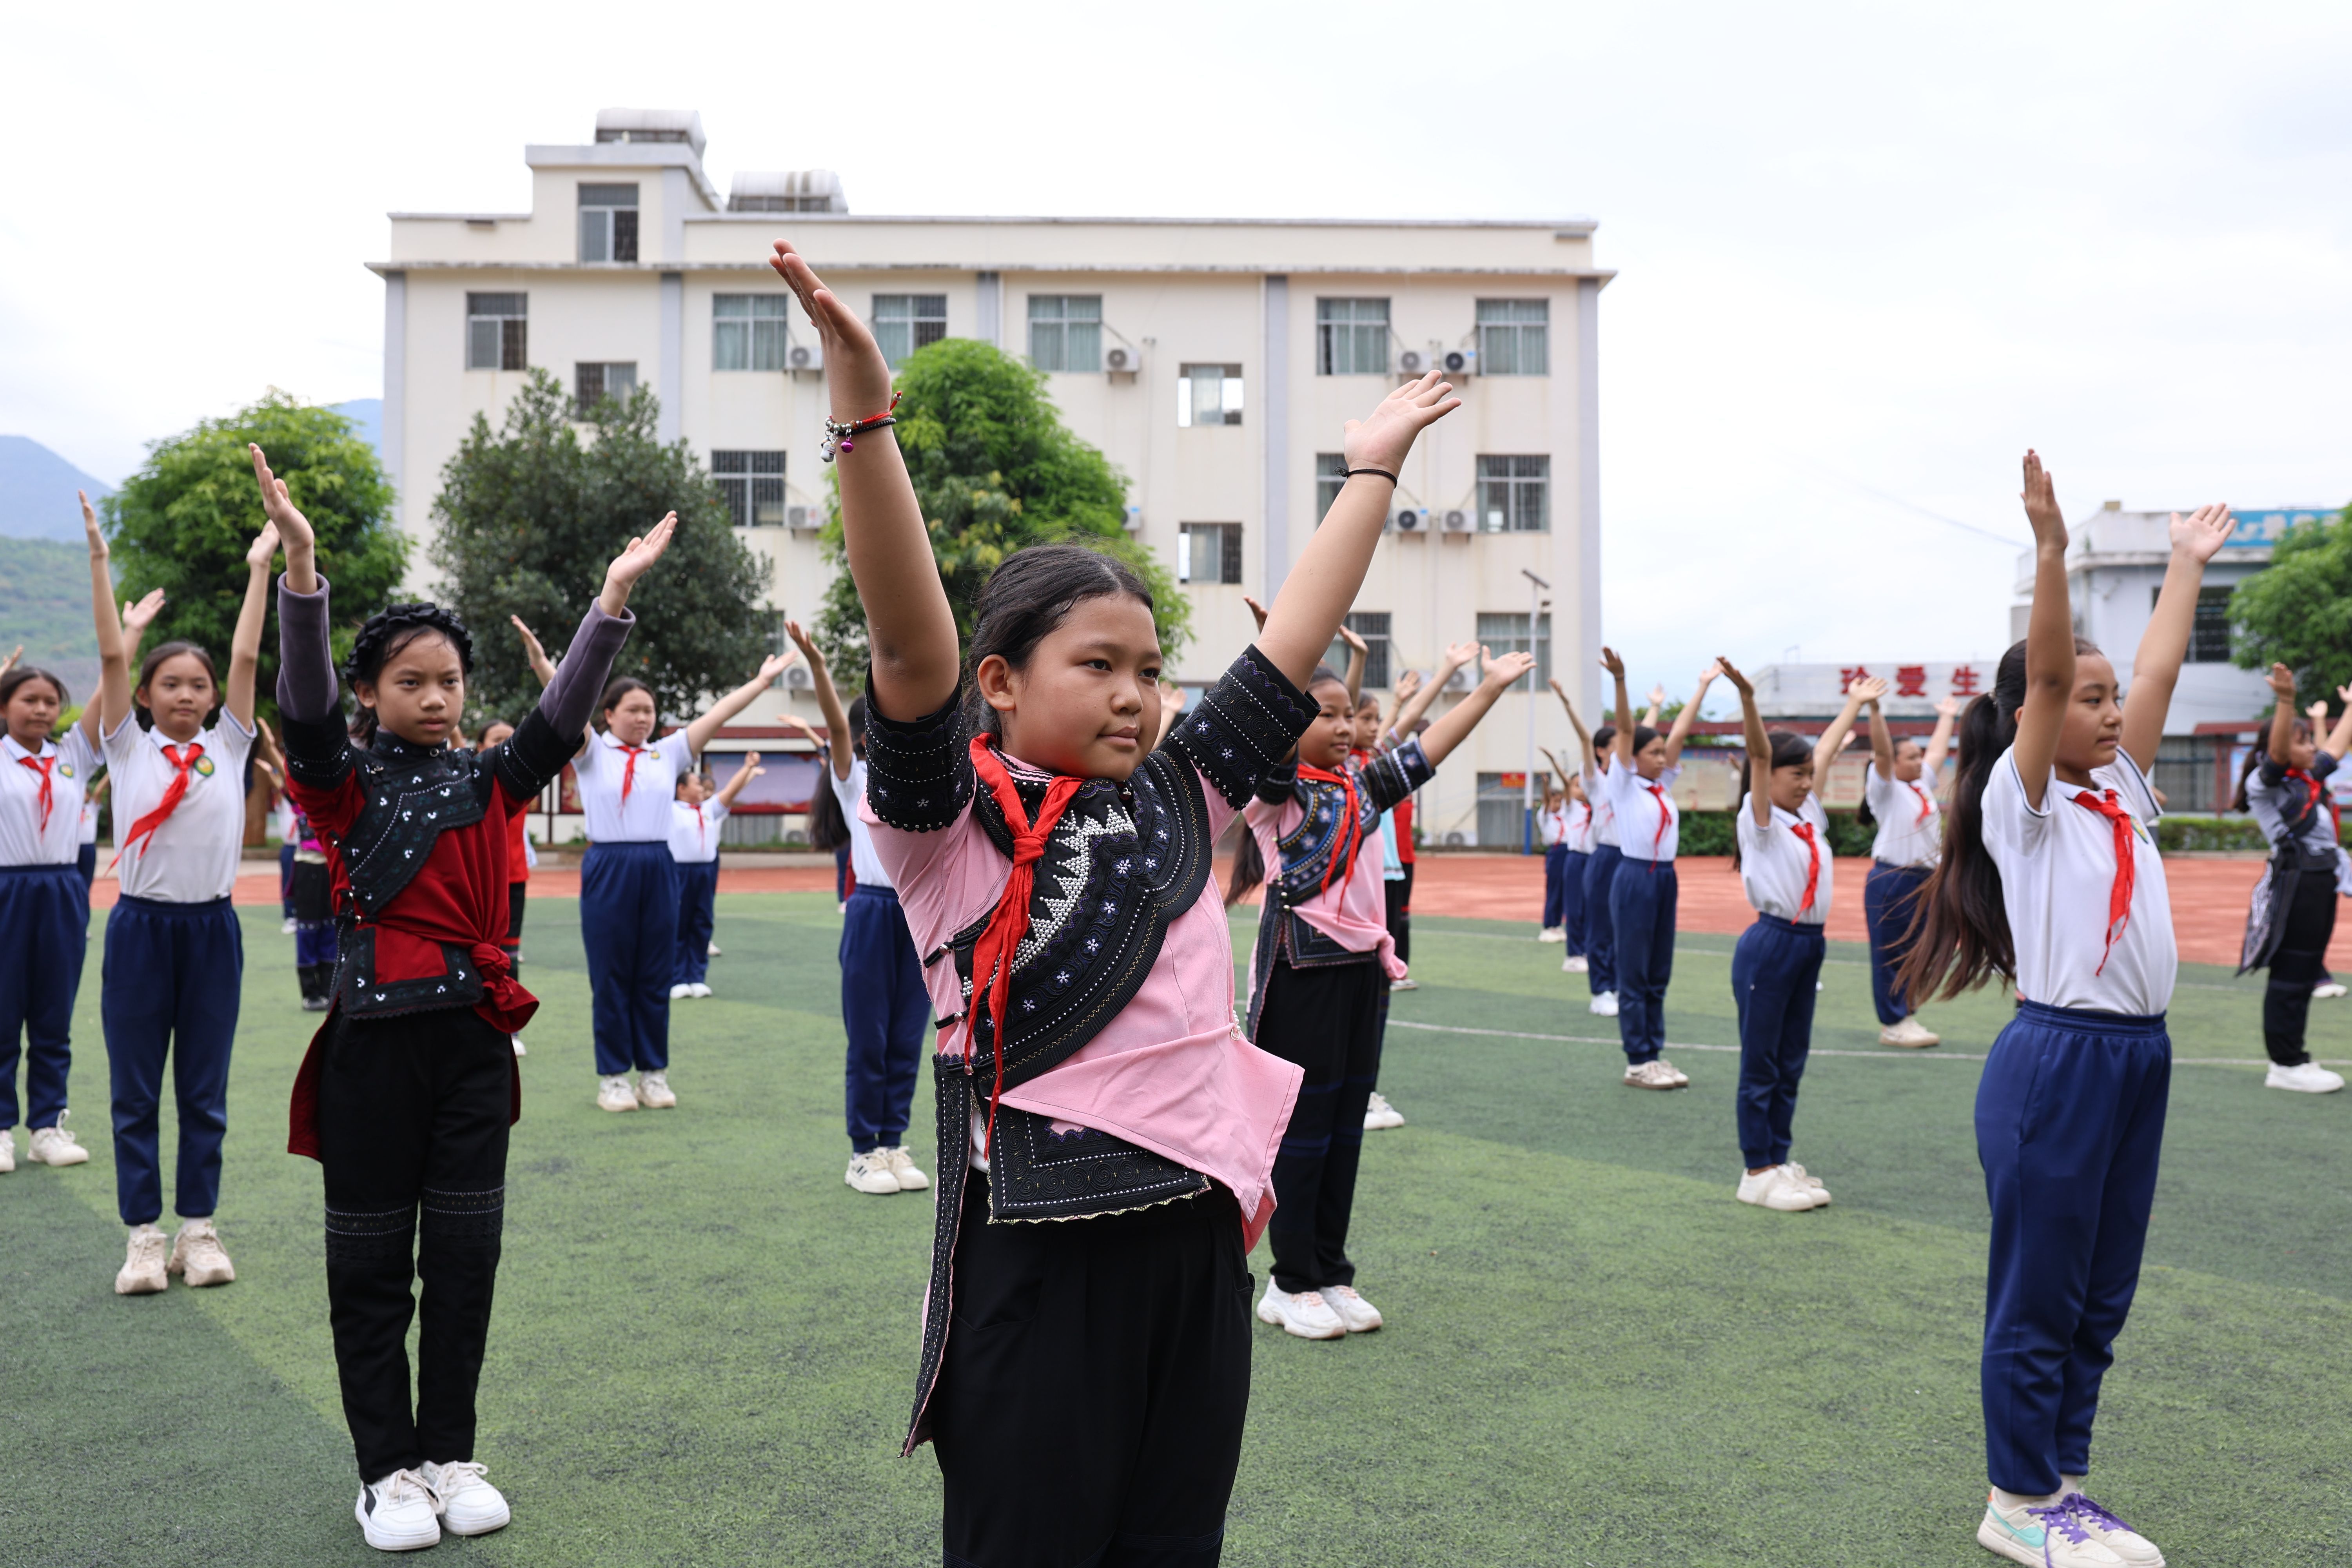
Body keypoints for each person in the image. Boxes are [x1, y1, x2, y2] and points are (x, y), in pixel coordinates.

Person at [771, 233, 1460, 1565]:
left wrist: (1373, 467)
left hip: (1196, 1249)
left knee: (1171, 1546)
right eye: (1099, 663)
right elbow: (908, 640)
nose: (1139, 691)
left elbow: (1293, 640)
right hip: (1040, 1265)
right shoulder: (940, 831)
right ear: (1004, 684)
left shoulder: (1183, 795)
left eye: (1152, 665)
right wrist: (863, 414)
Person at [255, 441, 667, 1552]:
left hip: (476, 1048)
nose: (436, 698)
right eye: (411, 683)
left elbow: (567, 710)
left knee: (469, 1261)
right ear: (370, 694)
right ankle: (385, 1472)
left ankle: (446, 1455)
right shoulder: (336, 785)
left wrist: (611, 603)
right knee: (372, 1264)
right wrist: (302, 569)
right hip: (372, 1052)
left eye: (449, 683)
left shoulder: (495, 776)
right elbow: (298, 702)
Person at [1900, 452, 2231, 1568]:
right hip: (2060, 1061)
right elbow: (2046, 684)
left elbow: (2163, 667)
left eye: (2110, 700)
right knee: (2040, 1293)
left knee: (2101, 1294)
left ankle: (2064, 1489)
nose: (2108, 710)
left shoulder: (2124, 784)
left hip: (2139, 1057)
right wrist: (2050, 552)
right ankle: (2016, 1500)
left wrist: (2184, 562)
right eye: (2087, 700)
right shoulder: (2025, 802)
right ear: (2036, 710)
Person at [1231, 643, 1532, 1337]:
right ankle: (1288, 1281)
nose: (1342, 727)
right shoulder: (1274, 795)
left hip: (1360, 974)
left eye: (1346, 716)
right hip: (1300, 975)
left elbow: (1433, 749)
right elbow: (1277, 744)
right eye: (1325, 716)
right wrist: (1282, 659)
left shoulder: (1361, 788)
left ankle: (1331, 1272)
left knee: (1344, 1130)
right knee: (1302, 1136)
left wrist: (1485, 690)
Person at [86, 490, 273, 1295]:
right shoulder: (125, 747)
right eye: (172, 683)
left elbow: (245, 658)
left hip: (211, 932)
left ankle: (198, 1230)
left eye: (198, 683)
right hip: (139, 931)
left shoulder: (231, 745)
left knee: (203, 1088)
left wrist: (261, 568)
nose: (190, 694)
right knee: (135, 1090)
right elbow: (110, 659)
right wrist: (100, 562)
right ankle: (142, 1237)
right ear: (149, 695)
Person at [567, 637, 791, 1114]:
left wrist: (761, 682)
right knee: (611, 975)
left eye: (649, 710)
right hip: (609, 865)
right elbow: (566, 696)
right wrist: (545, 665)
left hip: (658, 865)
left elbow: (720, 714)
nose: (643, 718)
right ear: (609, 714)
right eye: (633, 710)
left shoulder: (666, 753)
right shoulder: (590, 751)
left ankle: (652, 1074)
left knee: (654, 973)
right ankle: (613, 1078)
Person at [1719, 662, 1877, 1212]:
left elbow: (1827, 750)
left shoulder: (1806, 813)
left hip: (1810, 945)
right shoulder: (1759, 819)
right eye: (1798, 775)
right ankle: (1755, 1170)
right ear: (1772, 779)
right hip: (1771, 944)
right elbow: (1761, 755)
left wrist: (1855, 704)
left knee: (1791, 1061)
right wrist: (1747, 700)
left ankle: (1779, 1161)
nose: (1809, 782)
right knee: (1761, 1063)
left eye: (1810, 775)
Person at [784, 618, 932, 1196]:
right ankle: (862, 1152)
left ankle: (893, 1143)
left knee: (907, 1036)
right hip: (871, 911)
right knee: (869, 1038)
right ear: (870, 736)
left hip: (920, 917)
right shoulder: (855, 778)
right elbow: (836, 732)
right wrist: (819, 667)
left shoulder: (925, 781)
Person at [1595, 653, 1717, 1089]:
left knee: (1659, 970)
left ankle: (1655, 1053)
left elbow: (1680, 731)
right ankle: (1637, 1060)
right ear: (1633, 758)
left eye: (1663, 751)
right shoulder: (1623, 783)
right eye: (1654, 752)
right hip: (1634, 877)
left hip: (1665, 877)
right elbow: (1627, 730)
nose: (1663, 757)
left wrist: (1702, 686)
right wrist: (1622, 681)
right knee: (1635, 970)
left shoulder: (1659, 784)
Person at [0, 653, 98, 1177]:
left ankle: (46, 1129)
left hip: (62, 888)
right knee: (1, 1012)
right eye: (28, 700)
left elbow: (110, 686)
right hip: (6, 887)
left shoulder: (73, 758)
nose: (41, 710)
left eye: (50, 702)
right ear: (5, 706)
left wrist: (126, 641)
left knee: (53, 1016)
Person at [2234, 664, 2352, 1093]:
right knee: (2292, 969)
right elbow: (2282, 753)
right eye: (2301, 739)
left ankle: (2295, 1057)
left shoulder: (2308, 778)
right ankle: (2284, 1063)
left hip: (2321, 879)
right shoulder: (2267, 783)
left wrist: (2351, 707)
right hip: (2297, 881)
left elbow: (2337, 747)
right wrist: (2286, 700)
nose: (2309, 747)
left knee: (2306, 969)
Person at [1860, 692, 1958, 1047]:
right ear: (1893, 763)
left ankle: (1907, 1014)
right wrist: (1874, 710)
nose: (1919, 762)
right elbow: (1884, 752)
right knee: (1891, 952)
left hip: (1924, 881)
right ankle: (1893, 1023)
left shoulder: (1921, 785)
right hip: (1893, 879)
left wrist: (1947, 716)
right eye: (1911, 757)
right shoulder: (1885, 790)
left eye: (1919, 756)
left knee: (1918, 951)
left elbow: (1938, 751)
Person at [1555, 677, 1625, 1013]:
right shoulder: (1596, 782)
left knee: (1625, 927)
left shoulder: (1634, 780)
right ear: (1601, 751)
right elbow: (1585, 737)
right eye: (1615, 746)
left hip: (1633, 860)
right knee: (1601, 925)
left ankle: (1620, 985)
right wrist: (1568, 703)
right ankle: (1601, 991)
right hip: (1606, 856)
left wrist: (1654, 706)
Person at [669, 753, 763, 999]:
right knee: (678, 923)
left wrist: (747, 768)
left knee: (702, 921)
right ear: (681, 789)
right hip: (678, 871)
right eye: (697, 784)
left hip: (705, 871)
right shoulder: (669, 809)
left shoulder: (709, 808)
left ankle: (697, 977)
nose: (703, 788)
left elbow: (731, 790)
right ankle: (677, 978)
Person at [1539, 747, 1593, 971]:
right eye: (1576, 785)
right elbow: (1563, 782)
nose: (1581, 789)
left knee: (1593, 908)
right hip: (1574, 858)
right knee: (1575, 907)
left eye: (1584, 785)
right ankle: (1574, 954)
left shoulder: (1596, 806)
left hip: (1595, 860)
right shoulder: (1571, 807)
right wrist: (1554, 762)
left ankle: (1589, 950)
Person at [1535, 779, 1572, 941]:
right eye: (1555, 801)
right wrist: (1546, 786)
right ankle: (1549, 925)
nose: (1558, 805)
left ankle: (1558, 925)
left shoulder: (1566, 814)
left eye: (1560, 801)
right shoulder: (1546, 816)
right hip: (1557, 852)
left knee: (1567, 890)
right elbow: (1546, 798)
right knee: (1554, 890)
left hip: (1570, 852)